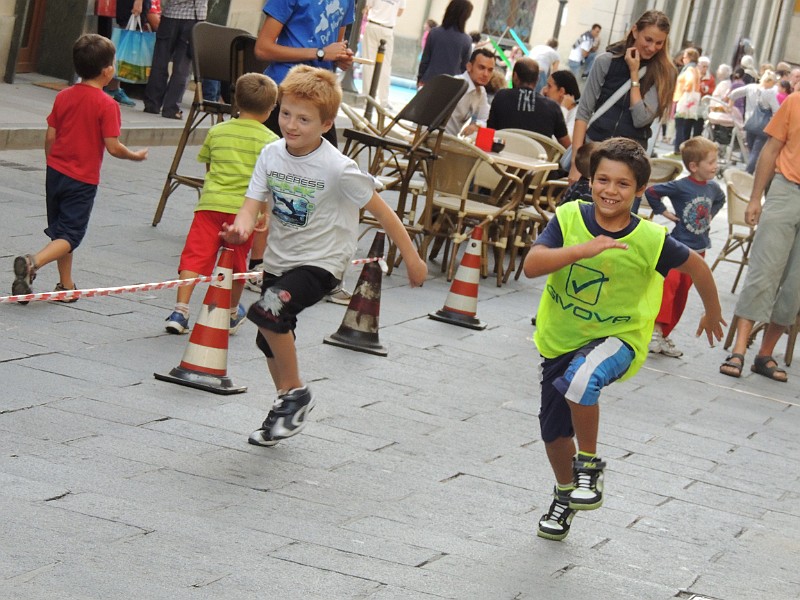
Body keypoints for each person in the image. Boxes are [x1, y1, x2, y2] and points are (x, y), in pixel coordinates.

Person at [523, 137, 724, 541]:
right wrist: (582, 250)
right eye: (602, 180)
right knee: (553, 432)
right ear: (591, 180)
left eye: (622, 184)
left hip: (621, 339)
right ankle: (564, 495)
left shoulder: (650, 239)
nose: (610, 191)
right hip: (561, 339)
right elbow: (531, 265)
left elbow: (698, 267)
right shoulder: (568, 217)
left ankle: (590, 467)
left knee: (582, 380)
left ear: (639, 191)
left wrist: (713, 310)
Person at [220, 66, 428, 446]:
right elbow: (251, 205)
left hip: (321, 263)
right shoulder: (270, 154)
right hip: (281, 260)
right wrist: (241, 228)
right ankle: (286, 405)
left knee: (267, 312)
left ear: (327, 122)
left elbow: (385, 214)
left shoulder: (338, 168)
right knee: (268, 338)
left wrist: (412, 258)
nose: (291, 125)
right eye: (286, 114)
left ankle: (296, 393)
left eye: (304, 119)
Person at [12, 34, 148, 303]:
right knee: (71, 234)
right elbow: (113, 146)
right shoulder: (107, 105)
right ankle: (33, 262)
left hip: (56, 173)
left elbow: (50, 137)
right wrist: (134, 155)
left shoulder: (64, 96)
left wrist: (52, 162)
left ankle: (66, 285)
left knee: (61, 233)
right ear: (108, 71)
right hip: (82, 179)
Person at [164, 73, 279, 335]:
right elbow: (269, 183)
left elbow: (209, 164)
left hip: (210, 205)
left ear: (235, 101)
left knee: (195, 257)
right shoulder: (271, 142)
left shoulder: (217, 131)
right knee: (237, 263)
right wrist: (264, 214)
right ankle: (228, 311)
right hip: (244, 213)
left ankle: (180, 311)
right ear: (271, 109)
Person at [720, 92, 800, 383]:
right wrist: (756, 198)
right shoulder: (795, 102)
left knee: (795, 286)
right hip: (786, 189)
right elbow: (770, 149)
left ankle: (765, 354)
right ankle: (739, 349)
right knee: (763, 272)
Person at [568, 10, 676, 185]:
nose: (652, 47)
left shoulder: (665, 73)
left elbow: (641, 119)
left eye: (659, 43)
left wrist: (634, 74)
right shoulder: (606, 61)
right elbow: (584, 112)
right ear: (635, 31)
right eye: (648, 39)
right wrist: (576, 163)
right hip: (593, 156)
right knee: (580, 211)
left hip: (631, 162)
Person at [645, 136, 725, 357]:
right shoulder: (681, 186)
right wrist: (665, 213)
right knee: (668, 290)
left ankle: (664, 333)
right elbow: (652, 192)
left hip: (699, 250)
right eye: (710, 162)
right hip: (678, 248)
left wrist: (710, 216)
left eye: (715, 161)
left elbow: (720, 199)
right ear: (693, 166)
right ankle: (655, 331)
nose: (715, 166)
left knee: (682, 294)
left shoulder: (713, 188)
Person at [254, 0, 354, 148]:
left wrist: (341, 58)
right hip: (284, 90)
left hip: (321, 94)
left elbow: (334, 47)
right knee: (270, 160)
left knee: (327, 165)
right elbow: (262, 49)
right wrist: (320, 53)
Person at [487, 57, 571, 149]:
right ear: (537, 79)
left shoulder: (501, 97)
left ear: (515, 76)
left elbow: (489, 132)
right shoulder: (552, 107)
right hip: (537, 161)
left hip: (502, 159)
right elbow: (566, 145)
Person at [143, 0, 208, 120]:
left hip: (169, 17)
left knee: (159, 62)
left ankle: (152, 104)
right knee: (182, 67)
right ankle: (171, 108)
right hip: (193, 19)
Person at [97, 0, 151, 107]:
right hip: (132, 4)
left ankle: (113, 86)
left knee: (122, 42)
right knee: (123, 42)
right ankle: (112, 87)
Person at [729, 70, 779, 174]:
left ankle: (749, 168)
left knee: (751, 148)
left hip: (749, 122)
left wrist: (730, 106)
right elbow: (776, 111)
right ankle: (748, 172)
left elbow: (733, 94)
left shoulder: (751, 87)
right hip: (763, 125)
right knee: (756, 151)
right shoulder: (770, 93)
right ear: (771, 82)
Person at [361, 0, 406, 108]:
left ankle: (367, 98)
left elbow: (367, 7)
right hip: (387, 29)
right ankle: (384, 100)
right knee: (385, 66)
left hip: (373, 25)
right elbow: (400, 12)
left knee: (368, 63)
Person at [417, 0, 473, 86]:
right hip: (452, 85)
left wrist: (420, 78)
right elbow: (464, 68)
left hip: (429, 81)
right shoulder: (466, 40)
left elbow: (425, 60)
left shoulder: (434, 33)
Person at [444, 47, 495, 136]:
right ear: (469, 67)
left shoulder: (481, 92)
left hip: (451, 140)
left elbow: (484, 119)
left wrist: (476, 125)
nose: (486, 74)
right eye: (481, 68)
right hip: (431, 138)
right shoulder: (455, 83)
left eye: (490, 70)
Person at [670, 47, 701, 155]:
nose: (683, 59)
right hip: (689, 101)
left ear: (689, 58)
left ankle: (678, 149)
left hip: (682, 99)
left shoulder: (689, 69)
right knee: (684, 126)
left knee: (680, 126)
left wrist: (685, 91)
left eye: (684, 57)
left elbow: (689, 81)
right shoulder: (696, 68)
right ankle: (681, 149)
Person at [542, 70, 580, 138]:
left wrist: (563, 109)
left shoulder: (578, 115)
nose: (545, 90)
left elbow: (560, 142)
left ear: (561, 91)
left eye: (549, 86)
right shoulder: (552, 108)